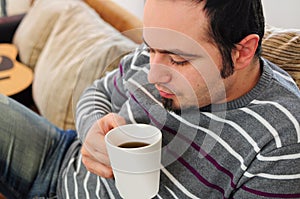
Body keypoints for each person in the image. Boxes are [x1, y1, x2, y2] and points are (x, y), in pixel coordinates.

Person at [1, 0, 300, 198]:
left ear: (242, 51)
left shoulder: (281, 141)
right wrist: (91, 128)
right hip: (60, 157)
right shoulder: (161, 46)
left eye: (179, 60)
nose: (154, 73)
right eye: (150, 48)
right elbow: (97, 93)